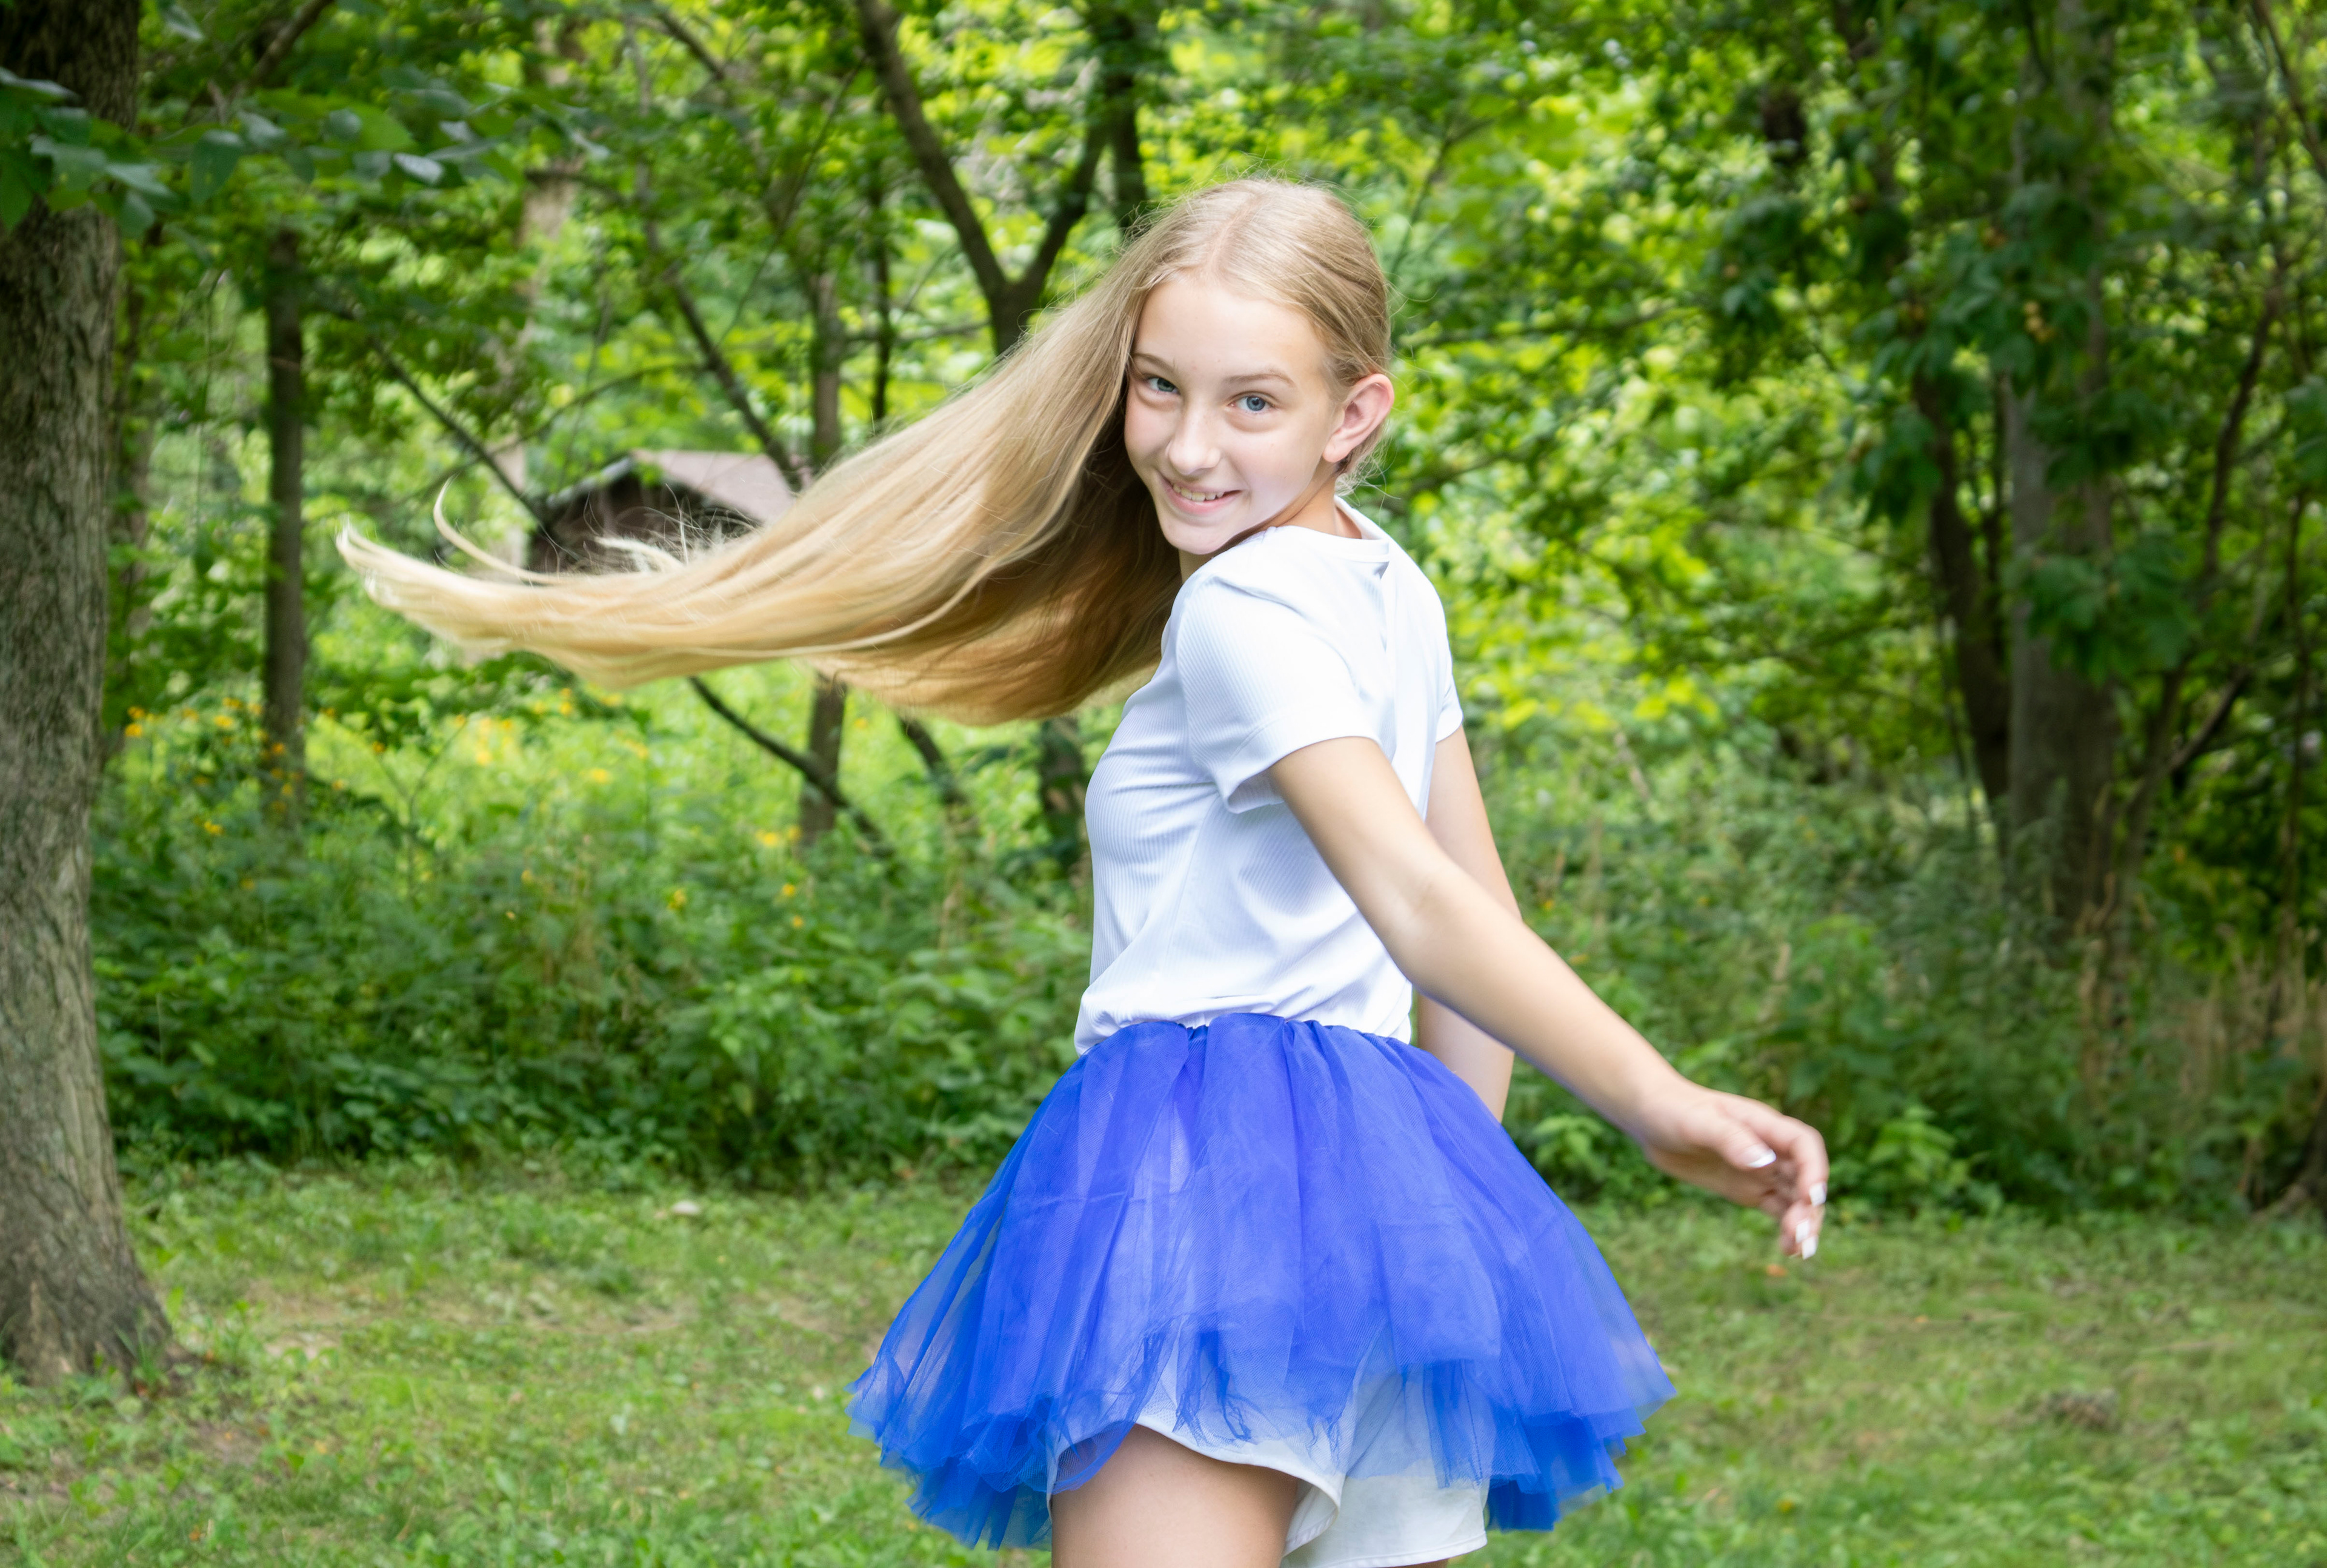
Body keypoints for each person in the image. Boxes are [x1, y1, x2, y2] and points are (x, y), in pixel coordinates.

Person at [342, 178, 1826, 1568]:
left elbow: (1435, 907)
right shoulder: (1388, 582)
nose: (1188, 446)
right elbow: (1470, 913)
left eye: (1253, 401)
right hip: (1374, 1197)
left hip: (1193, 1181)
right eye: (1159, 386)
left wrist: (1658, 1102)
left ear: (1354, 413)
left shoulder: (1245, 608)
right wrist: (1433, 1234)